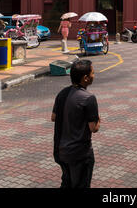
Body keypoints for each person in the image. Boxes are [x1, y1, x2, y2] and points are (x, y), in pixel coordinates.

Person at [51, 59, 100, 188]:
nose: (94, 75)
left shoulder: (62, 93)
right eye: (93, 73)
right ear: (85, 78)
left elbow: (53, 117)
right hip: (79, 154)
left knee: (67, 183)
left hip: (60, 151)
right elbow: (93, 128)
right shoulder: (88, 98)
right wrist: (98, 119)